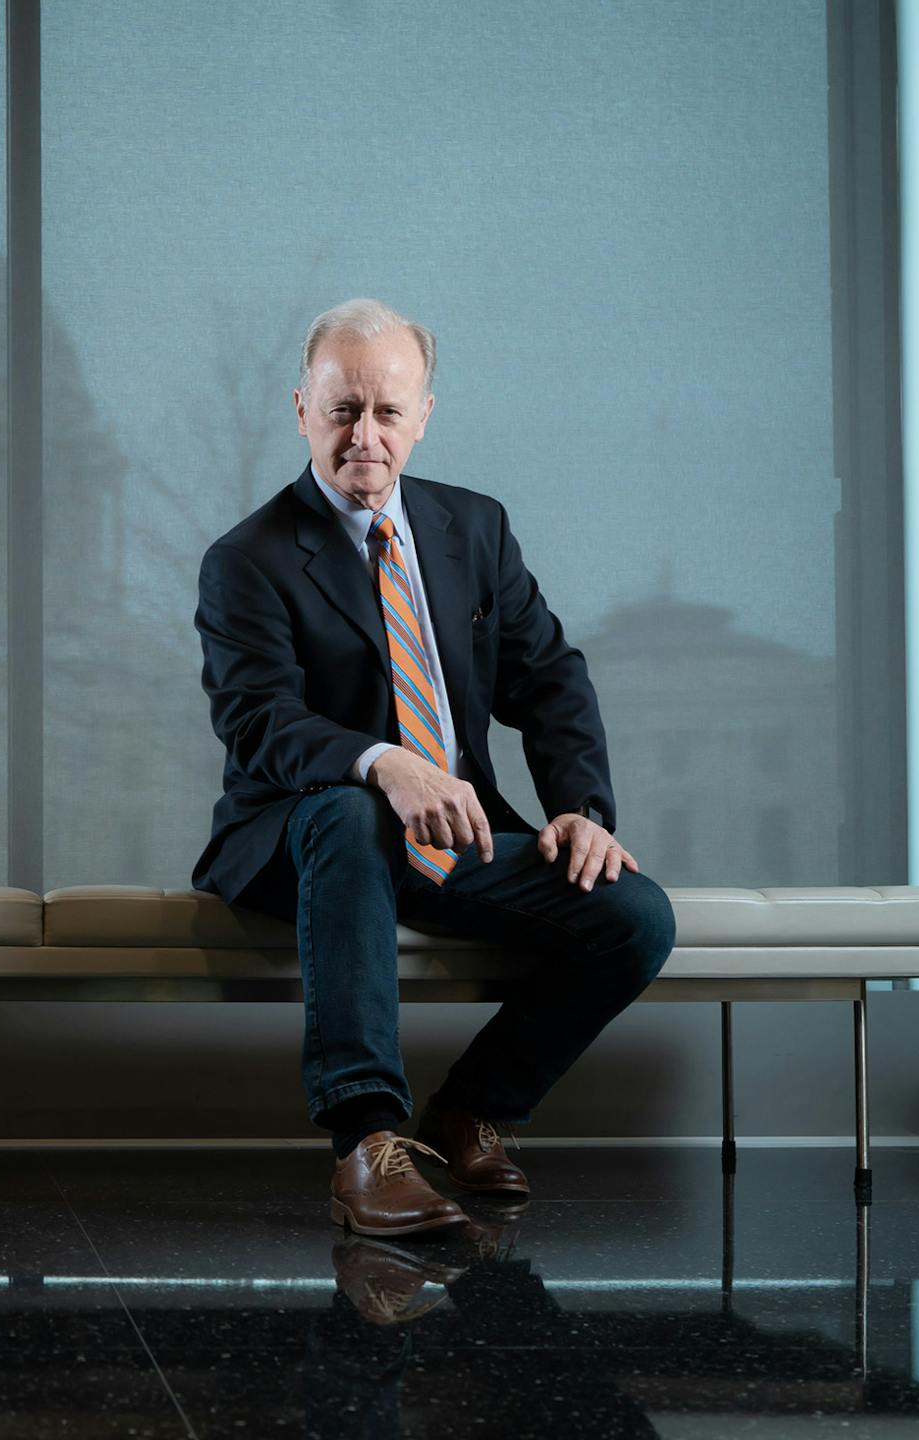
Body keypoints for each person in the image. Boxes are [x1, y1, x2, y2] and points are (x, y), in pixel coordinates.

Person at [191, 298, 676, 1238]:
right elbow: (257, 720)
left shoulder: (475, 529)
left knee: (633, 915)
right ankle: (366, 1145)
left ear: (423, 417)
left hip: (455, 835)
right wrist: (382, 765)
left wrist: (579, 808)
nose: (363, 436)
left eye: (386, 411)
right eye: (342, 411)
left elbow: (549, 679)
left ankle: (470, 1112)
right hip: (299, 838)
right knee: (347, 812)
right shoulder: (245, 561)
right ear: (302, 411)